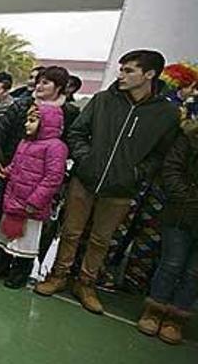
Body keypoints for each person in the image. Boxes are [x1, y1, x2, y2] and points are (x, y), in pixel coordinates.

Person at [34, 50, 181, 314]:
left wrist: (136, 173)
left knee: (102, 239)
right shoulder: (103, 100)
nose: (121, 75)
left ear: (149, 74)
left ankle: (86, 284)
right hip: (86, 179)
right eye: (121, 69)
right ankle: (58, 276)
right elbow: (77, 132)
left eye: (129, 70)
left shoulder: (166, 114)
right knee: (70, 232)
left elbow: (161, 154)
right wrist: (85, 160)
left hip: (122, 188)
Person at [0, 105, 67, 288]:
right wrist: (4, 173)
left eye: (32, 121)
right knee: (7, 234)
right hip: (14, 198)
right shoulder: (24, 142)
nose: (26, 124)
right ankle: (2, 265)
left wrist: (35, 201)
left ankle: (20, 272)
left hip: (31, 206)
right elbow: (15, 166)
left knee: (26, 240)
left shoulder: (56, 147)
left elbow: (53, 178)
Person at [136, 118, 197, 345]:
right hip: (181, 212)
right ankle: (154, 309)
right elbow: (172, 170)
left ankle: (176, 318)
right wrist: (189, 200)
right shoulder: (189, 137)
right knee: (171, 263)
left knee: (194, 272)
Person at [0, 66, 80, 164]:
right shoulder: (22, 105)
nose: (38, 86)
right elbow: (0, 131)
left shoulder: (69, 113)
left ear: (58, 87)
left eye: (45, 83)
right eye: (38, 82)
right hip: (9, 163)